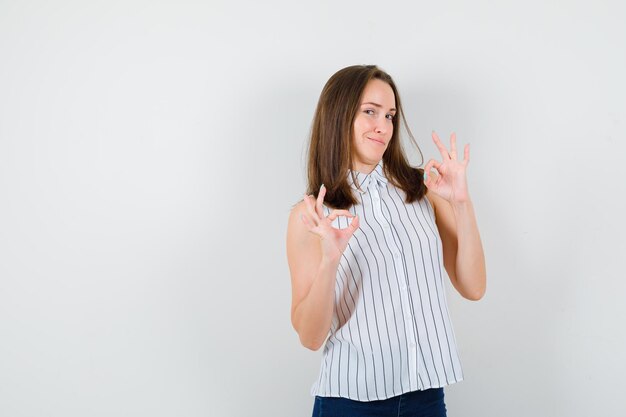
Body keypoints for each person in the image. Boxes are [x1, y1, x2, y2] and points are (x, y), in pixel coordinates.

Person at [286, 65, 486, 417]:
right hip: (348, 403)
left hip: (426, 397)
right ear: (339, 116)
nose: (384, 126)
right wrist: (331, 259)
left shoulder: (423, 189)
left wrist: (461, 204)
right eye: (369, 112)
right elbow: (311, 337)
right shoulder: (312, 216)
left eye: (390, 115)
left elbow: (473, 286)